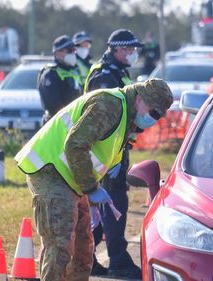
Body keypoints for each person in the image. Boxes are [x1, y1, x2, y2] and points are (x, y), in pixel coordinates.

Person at [14, 78, 173, 281]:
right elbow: (75, 145)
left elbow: (95, 154)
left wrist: (90, 196)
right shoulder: (110, 105)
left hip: (72, 179)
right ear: (140, 98)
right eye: (153, 112)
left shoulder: (126, 116)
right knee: (60, 246)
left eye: (158, 116)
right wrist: (91, 189)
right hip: (50, 172)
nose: (153, 119)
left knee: (83, 250)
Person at [84, 28, 144, 278]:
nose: (133, 54)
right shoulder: (105, 76)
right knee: (108, 203)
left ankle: (92, 259)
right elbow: (108, 116)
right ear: (118, 49)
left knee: (111, 203)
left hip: (117, 149)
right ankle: (112, 259)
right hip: (105, 151)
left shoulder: (119, 72)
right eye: (130, 49)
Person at [38, 35, 81, 124]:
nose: (73, 53)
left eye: (74, 50)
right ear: (58, 53)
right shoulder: (50, 74)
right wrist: (69, 124)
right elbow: (54, 106)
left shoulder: (74, 71)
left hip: (74, 122)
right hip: (57, 124)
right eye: (70, 50)